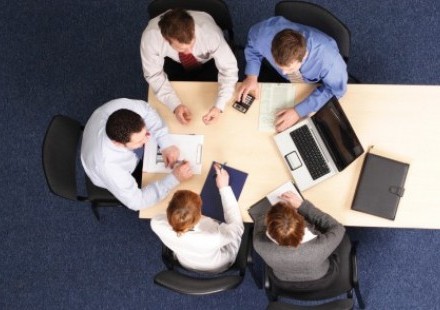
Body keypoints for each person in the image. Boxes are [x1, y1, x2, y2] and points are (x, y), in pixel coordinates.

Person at [237, 17, 348, 132]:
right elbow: (252, 47)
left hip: (312, 83)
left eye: (290, 68)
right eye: (279, 65)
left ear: (304, 56)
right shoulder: (264, 34)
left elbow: (336, 90)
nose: (284, 73)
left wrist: (299, 111)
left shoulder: (328, 59)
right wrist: (251, 76)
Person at [81, 98, 193, 211]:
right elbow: (137, 202)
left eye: (146, 133)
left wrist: (166, 143)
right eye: (140, 141)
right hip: (104, 174)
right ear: (118, 143)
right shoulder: (110, 168)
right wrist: (174, 178)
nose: (147, 139)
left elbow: (147, 111)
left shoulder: (120, 108)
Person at [140, 8, 238, 125]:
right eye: (182, 48)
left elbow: (229, 70)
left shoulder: (210, 34)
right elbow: (154, 75)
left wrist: (219, 106)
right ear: (166, 39)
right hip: (173, 61)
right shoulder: (150, 39)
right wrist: (175, 106)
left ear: (193, 29)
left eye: (192, 44)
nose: (189, 52)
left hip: (207, 62)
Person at [151, 164, 244, 273]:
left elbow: (166, 218)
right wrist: (224, 188)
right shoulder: (214, 237)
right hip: (217, 265)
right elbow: (237, 227)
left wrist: (183, 214)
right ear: (200, 214)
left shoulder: (156, 224)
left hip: (186, 262)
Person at [248, 190, 346, 284]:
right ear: (302, 220)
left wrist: (273, 212)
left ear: (267, 223)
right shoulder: (321, 246)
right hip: (319, 276)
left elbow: (259, 219)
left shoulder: (259, 243)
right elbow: (339, 228)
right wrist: (302, 206)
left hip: (283, 279)